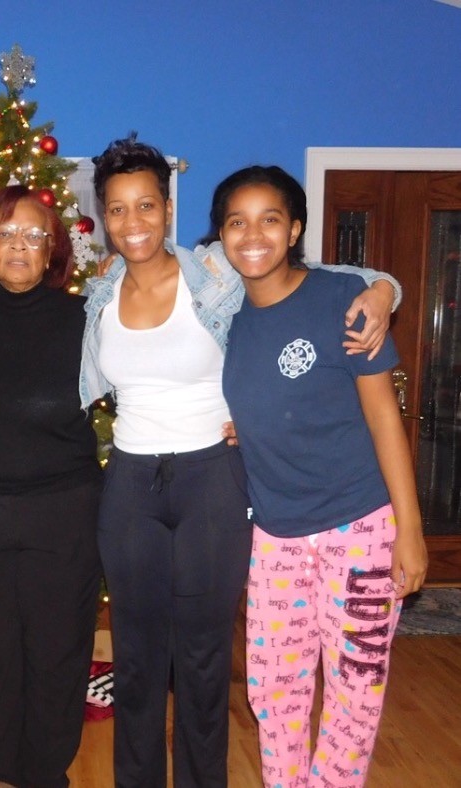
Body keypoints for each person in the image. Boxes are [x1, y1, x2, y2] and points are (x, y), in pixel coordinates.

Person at [77, 135, 402, 788]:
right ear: (103, 218)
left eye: (146, 205)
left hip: (210, 482)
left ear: (169, 211)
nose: (132, 221)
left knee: (202, 658)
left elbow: (333, 283)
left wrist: (386, 289)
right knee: (137, 656)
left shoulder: (214, 274)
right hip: (132, 484)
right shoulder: (98, 294)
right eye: (117, 209)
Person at [215, 165, 428, 788]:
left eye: (270, 218)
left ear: (295, 228)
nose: (252, 235)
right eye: (236, 221)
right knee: (273, 691)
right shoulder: (225, 320)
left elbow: (387, 421)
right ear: (222, 236)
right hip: (276, 536)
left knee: (354, 692)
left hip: (360, 530)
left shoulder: (343, 300)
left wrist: (409, 532)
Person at [0, 185, 102, 788]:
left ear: (52, 249)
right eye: (6, 233)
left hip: (63, 514)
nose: (19, 245)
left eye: (34, 235)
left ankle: (48, 772)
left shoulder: (86, 317)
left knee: (58, 653)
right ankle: (9, 767)